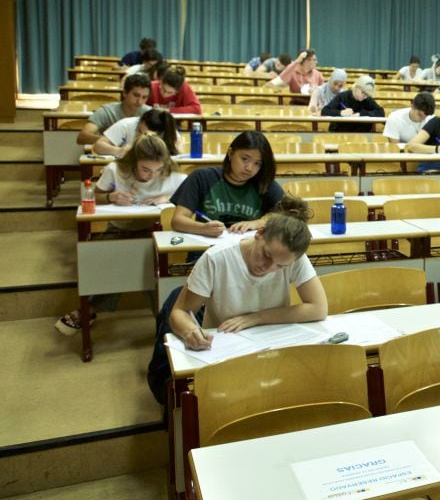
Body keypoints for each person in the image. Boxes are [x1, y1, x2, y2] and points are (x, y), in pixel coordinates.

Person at [148, 196, 329, 403]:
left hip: (272, 347)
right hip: (224, 352)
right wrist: (191, 332)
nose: (268, 268)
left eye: (280, 267)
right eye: (266, 255)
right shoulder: (216, 258)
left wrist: (257, 318)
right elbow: (179, 312)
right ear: (259, 234)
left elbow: (318, 308)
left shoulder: (292, 257)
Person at [56, 134, 186, 336]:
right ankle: (164, 321)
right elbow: (92, 198)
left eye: (158, 170)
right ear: (134, 161)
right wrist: (111, 196)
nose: (152, 175)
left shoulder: (172, 173)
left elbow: (190, 196)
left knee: (145, 256)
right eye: (145, 169)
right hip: (120, 230)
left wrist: (168, 197)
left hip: (157, 232)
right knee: (135, 257)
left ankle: (89, 310)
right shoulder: (115, 170)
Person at [169, 131, 284, 236]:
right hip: (205, 250)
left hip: (248, 252)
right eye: (244, 159)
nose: (249, 168)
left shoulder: (264, 182)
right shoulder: (203, 177)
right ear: (230, 153)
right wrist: (203, 228)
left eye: (257, 163)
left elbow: (291, 214)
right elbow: (178, 221)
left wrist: (259, 222)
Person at [76, 74, 151, 146]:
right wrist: (111, 141)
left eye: (144, 97)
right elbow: (82, 137)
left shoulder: (150, 113)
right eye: (136, 95)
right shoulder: (106, 111)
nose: (140, 101)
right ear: (124, 93)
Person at [93, 107, 181, 157]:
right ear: (139, 121)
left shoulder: (169, 132)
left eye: (146, 135)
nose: (140, 136)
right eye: (139, 130)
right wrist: (119, 151)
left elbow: (177, 154)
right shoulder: (126, 124)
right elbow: (98, 145)